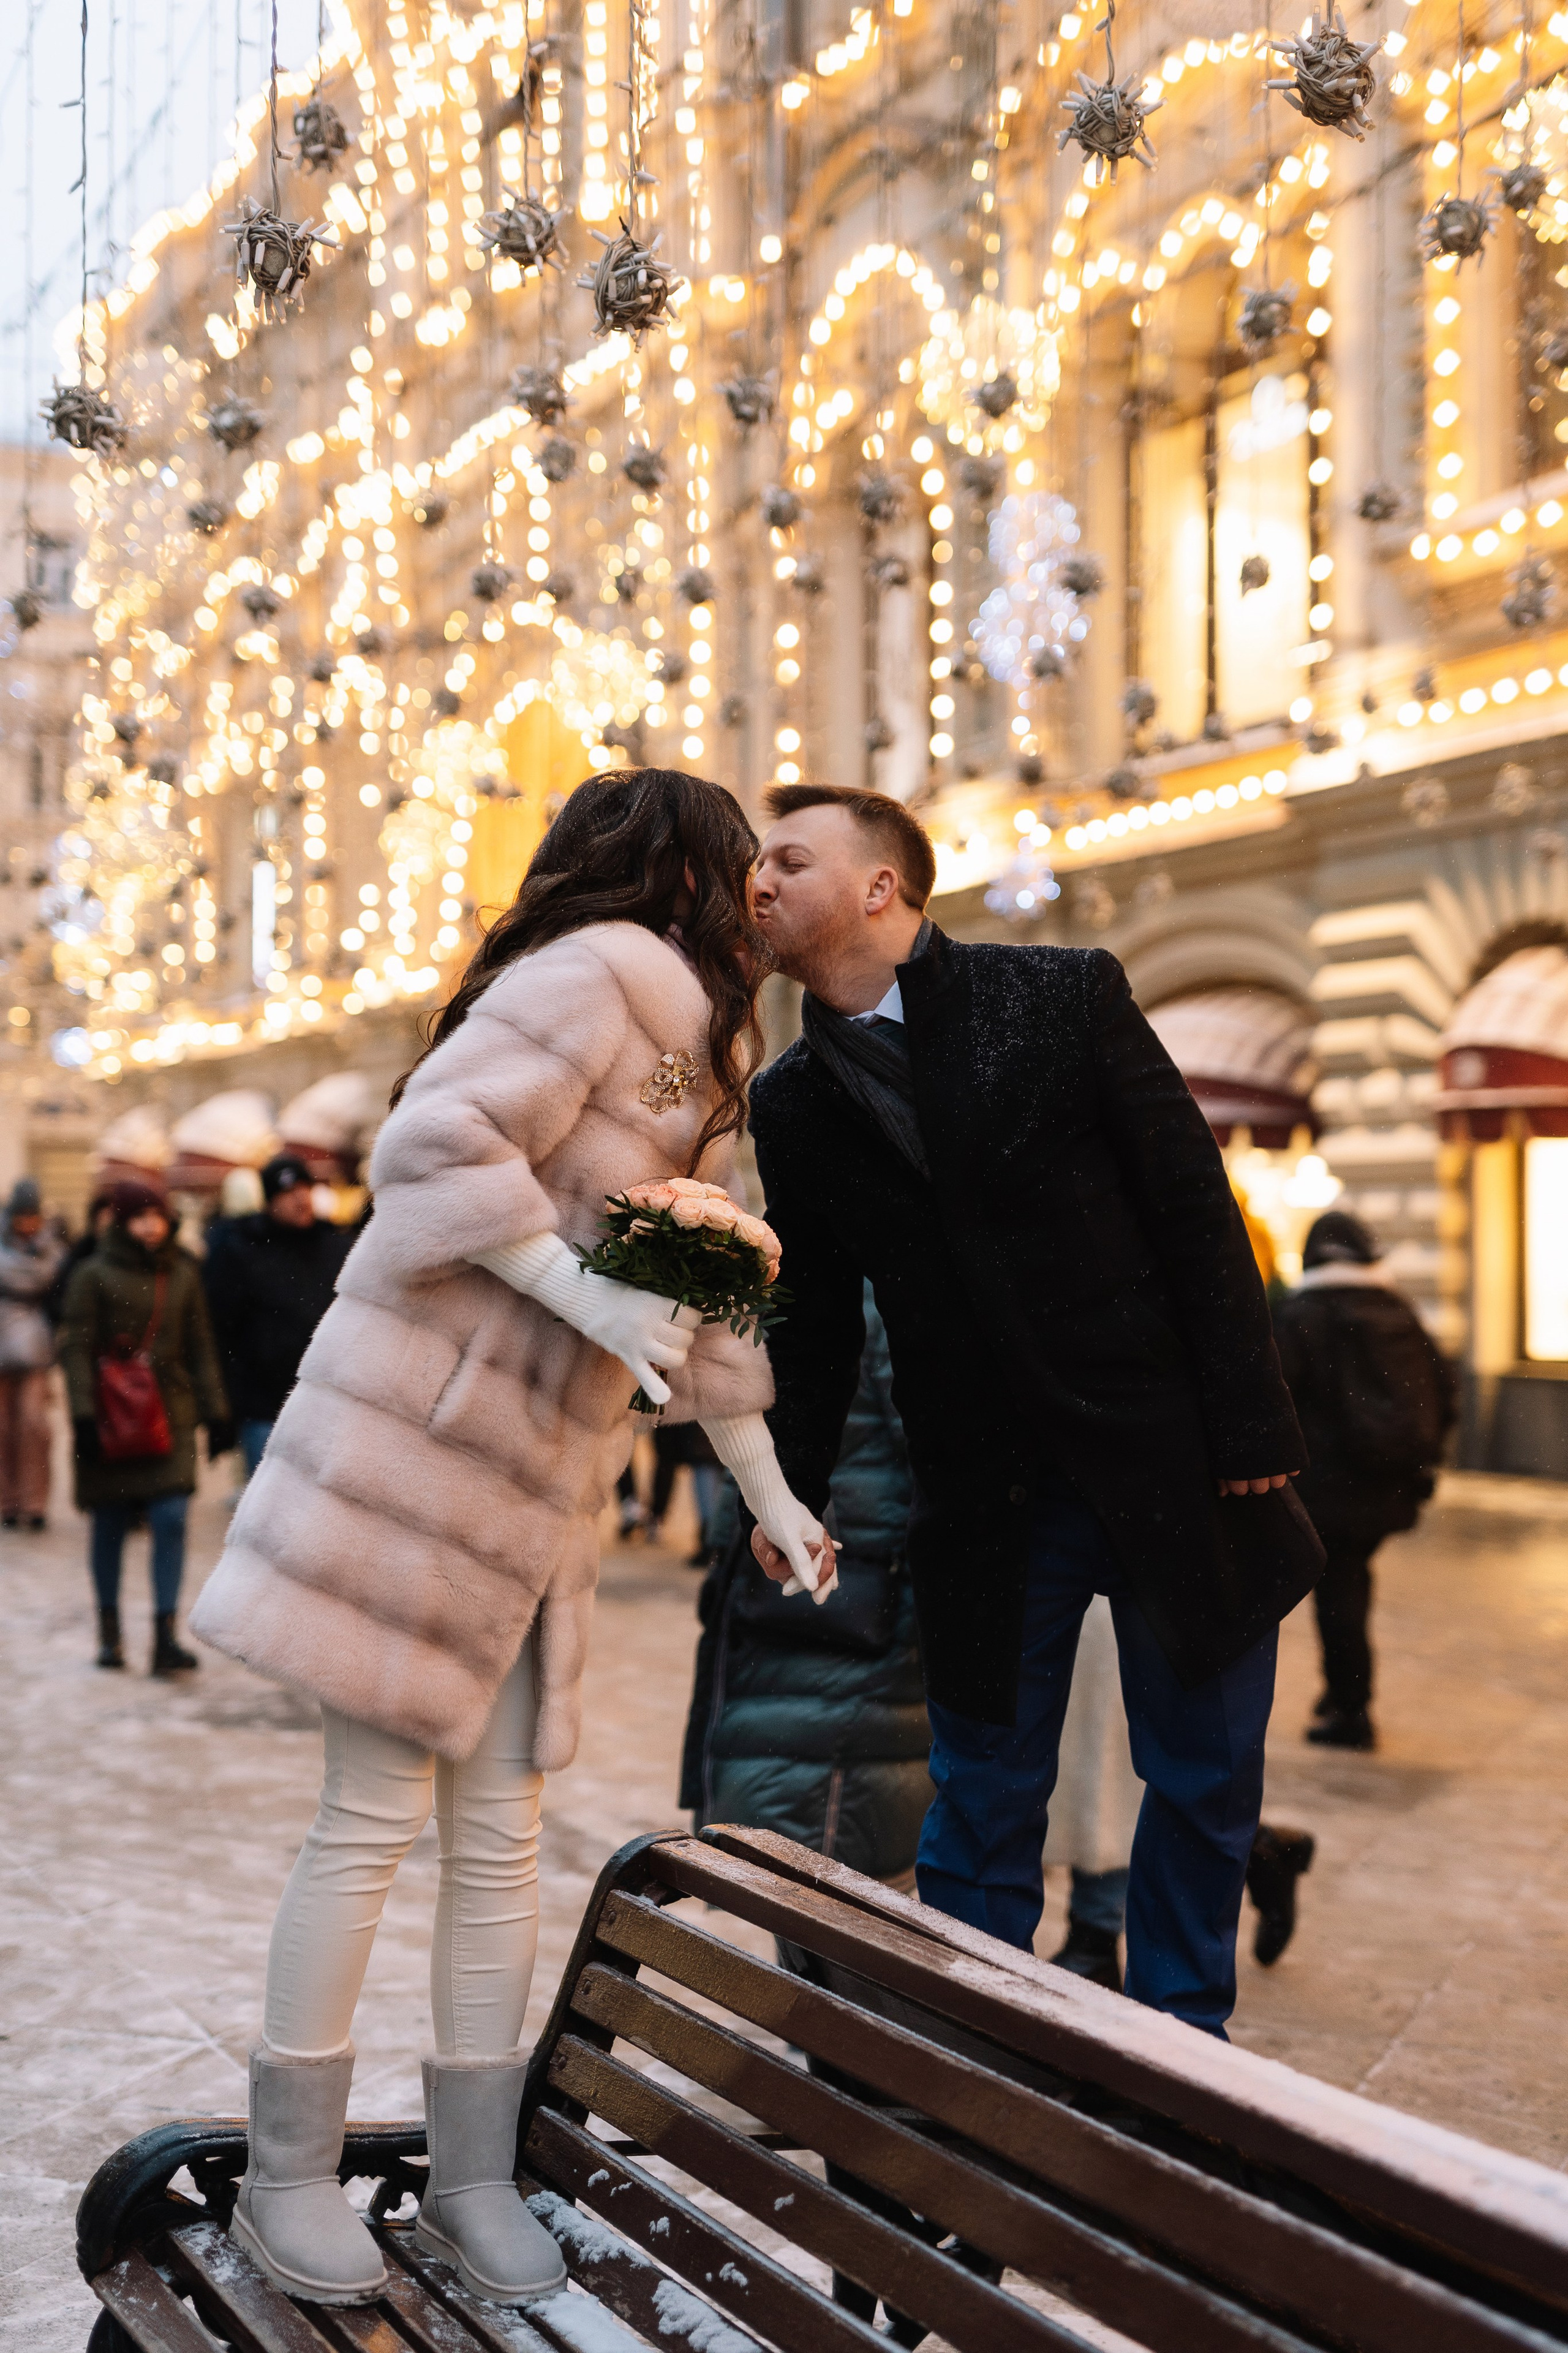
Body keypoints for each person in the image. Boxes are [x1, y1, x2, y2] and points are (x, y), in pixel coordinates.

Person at [186, 770, 833, 2311]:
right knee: (369, 1818)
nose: (753, 889)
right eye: (737, 860)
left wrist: (767, 1485)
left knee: (495, 1845)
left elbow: (713, 1292)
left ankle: (473, 2169)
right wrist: (576, 1290)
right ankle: (289, 2172)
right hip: (421, 1467)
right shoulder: (588, 976)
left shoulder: (698, 1044)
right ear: (676, 865)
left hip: (540, 1502)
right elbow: (433, 1146)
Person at [747, 783, 1317, 2040]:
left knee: (1203, 1781)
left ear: (878, 887)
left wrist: (1251, 1439)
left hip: (1170, 1463)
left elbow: (1192, 1210)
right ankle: (972, 2050)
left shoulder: (1055, 994)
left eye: (787, 857)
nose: (758, 881)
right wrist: (780, 1487)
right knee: (982, 1797)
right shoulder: (790, 1099)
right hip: (988, 1497)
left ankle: (1183, 2050)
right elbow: (819, 1316)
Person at [682, 1286, 931, 1879]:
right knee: (819, 1887)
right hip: (812, 1618)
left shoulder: (861, 1284)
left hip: (840, 1621)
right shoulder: (816, 1273)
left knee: (831, 1892)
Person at [1273, 1209, 1456, 1751]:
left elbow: (1275, 1400)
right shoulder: (1398, 1311)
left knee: (1340, 1591)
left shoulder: (1299, 1315)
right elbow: (1444, 1391)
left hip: (1328, 1487)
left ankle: (1351, 1710)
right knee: (1349, 1582)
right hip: (1388, 1484)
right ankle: (1342, 1695)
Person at [59, 1180, 232, 1673]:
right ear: (120, 1222)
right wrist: (82, 1415)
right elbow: (74, 1349)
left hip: (170, 1414)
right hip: (109, 1417)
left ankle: (165, 1637)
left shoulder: (183, 1272)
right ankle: (110, 1635)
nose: (151, 1225)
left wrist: (217, 1412)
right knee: (110, 1524)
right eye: (140, 1216)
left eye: (158, 1215)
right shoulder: (91, 1275)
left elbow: (200, 1344)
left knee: (172, 1518)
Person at [203, 1153, 353, 1479]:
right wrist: (227, 1406)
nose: (301, 1198)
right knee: (273, 1515)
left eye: (305, 1188)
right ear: (270, 1201)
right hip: (267, 1409)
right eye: (288, 1192)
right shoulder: (241, 1249)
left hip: (332, 1403)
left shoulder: (337, 1246)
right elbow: (220, 1329)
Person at [0, 1177, 65, 1530]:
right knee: (3, 1429)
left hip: (37, 1350)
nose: (27, 1223)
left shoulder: (51, 1250)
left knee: (34, 1429)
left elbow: (55, 1285)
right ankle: (7, 1502)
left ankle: (35, 1502)